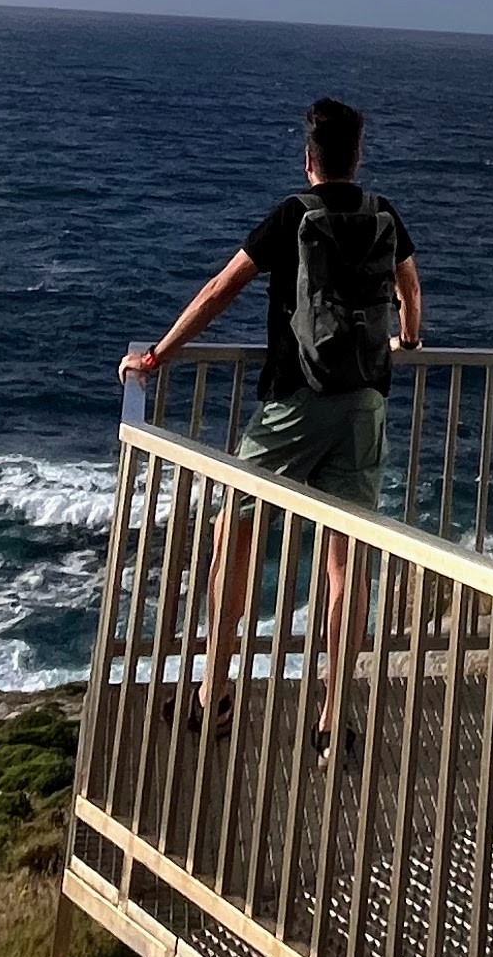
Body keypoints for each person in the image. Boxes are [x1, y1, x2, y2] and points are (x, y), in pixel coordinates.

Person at [121, 96, 422, 741]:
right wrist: (410, 338)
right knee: (345, 559)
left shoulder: (294, 215)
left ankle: (214, 693)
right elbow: (410, 293)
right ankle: (333, 714)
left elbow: (220, 289)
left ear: (309, 159)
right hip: (366, 402)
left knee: (236, 531)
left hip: (294, 404)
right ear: (358, 156)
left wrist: (160, 355)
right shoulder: (384, 214)